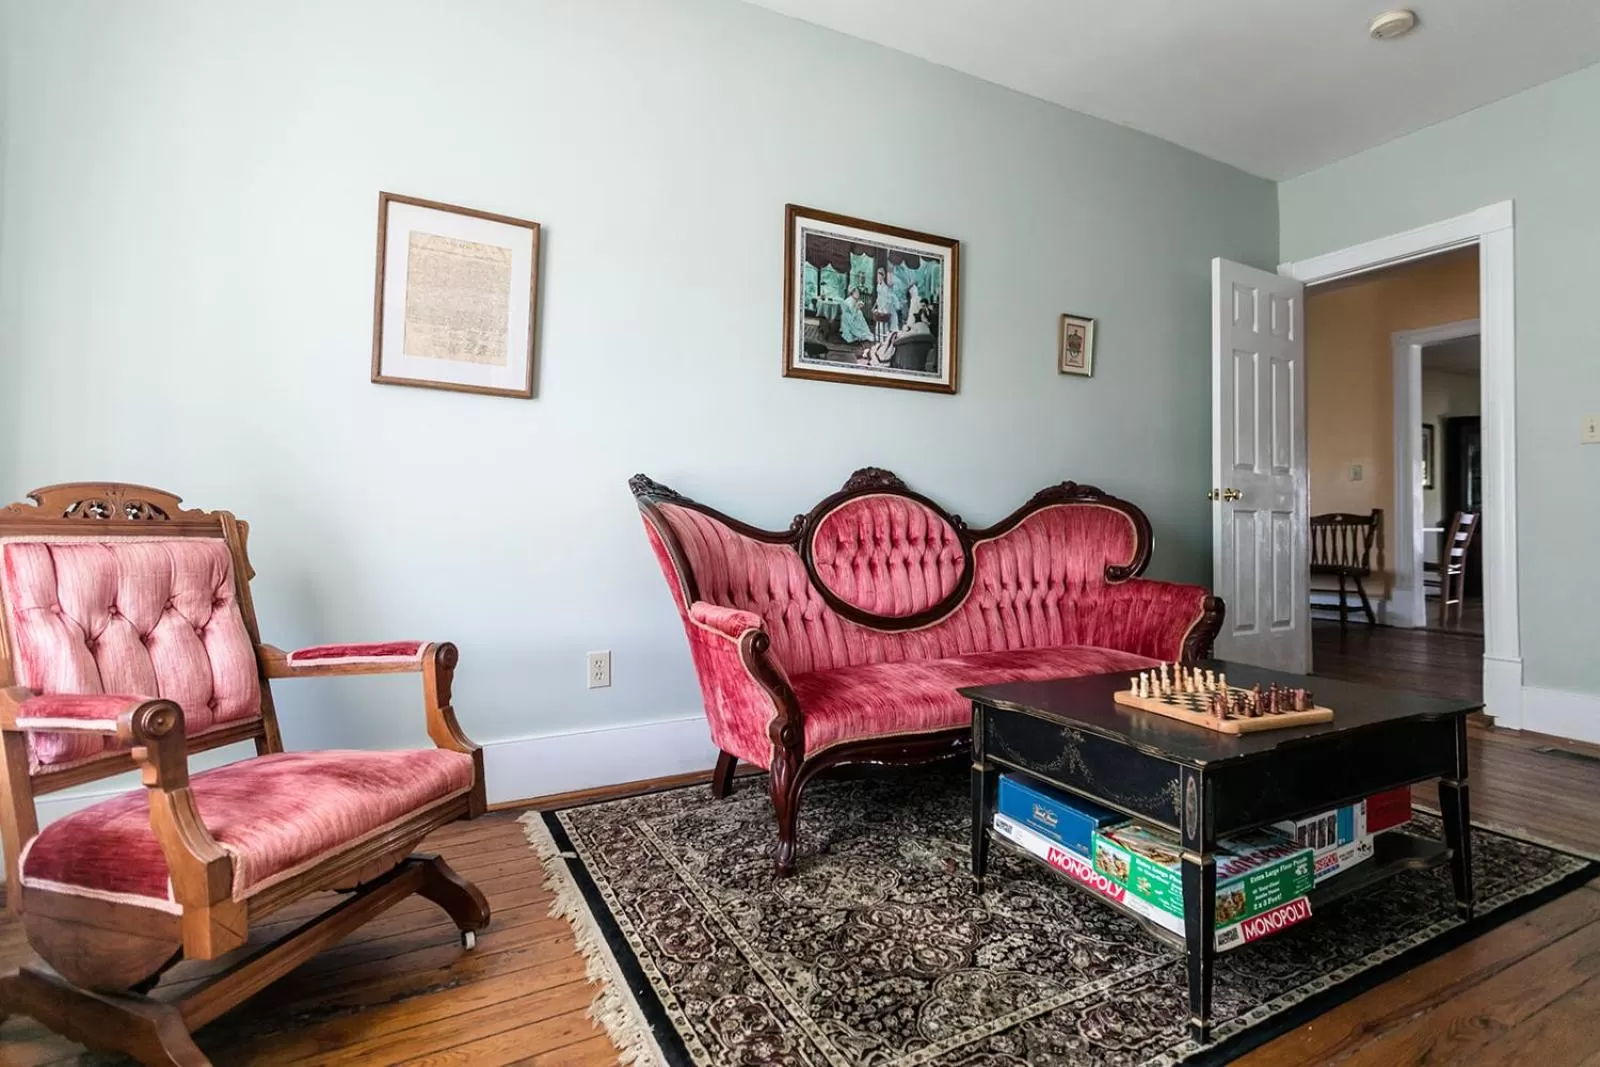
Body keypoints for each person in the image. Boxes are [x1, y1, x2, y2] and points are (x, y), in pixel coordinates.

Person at [873, 267, 901, 337]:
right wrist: (874, 306)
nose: (879, 278)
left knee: (887, 318)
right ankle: (879, 335)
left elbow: (887, 300)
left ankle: (887, 334)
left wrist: (883, 309)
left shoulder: (885, 288)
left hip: (886, 305)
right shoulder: (878, 286)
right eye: (878, 277)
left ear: (883, 277)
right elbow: (878, 298)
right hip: (880, 305)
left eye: (880, 277)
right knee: (879, 319)